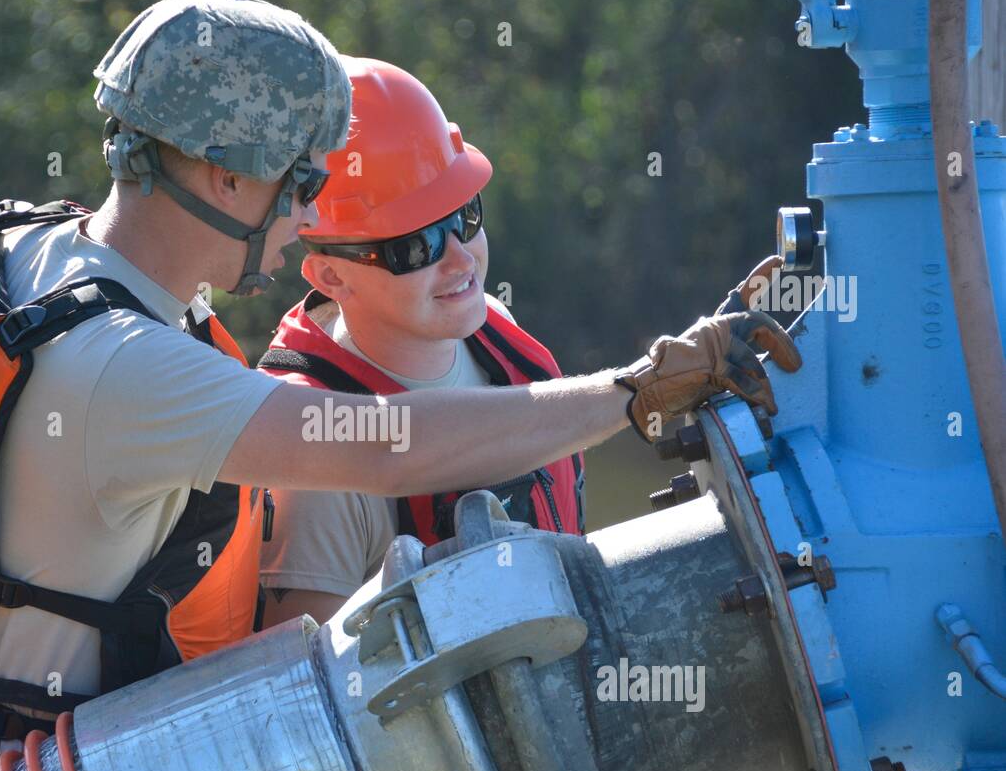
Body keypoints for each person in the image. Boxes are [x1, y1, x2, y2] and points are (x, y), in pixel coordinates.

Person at [0, 0, 801, 771]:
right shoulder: (130, 371)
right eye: (297, 186)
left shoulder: (8, 250)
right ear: (220, 178)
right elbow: (393, 446)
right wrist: (632, 393)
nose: (306, 220)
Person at [257, 57, 784, 627]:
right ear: (332, 277)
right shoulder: (314, 470)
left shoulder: (492, 326)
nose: (460, 260)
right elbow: (311, 702)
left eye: (464, 216)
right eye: (416, 246)